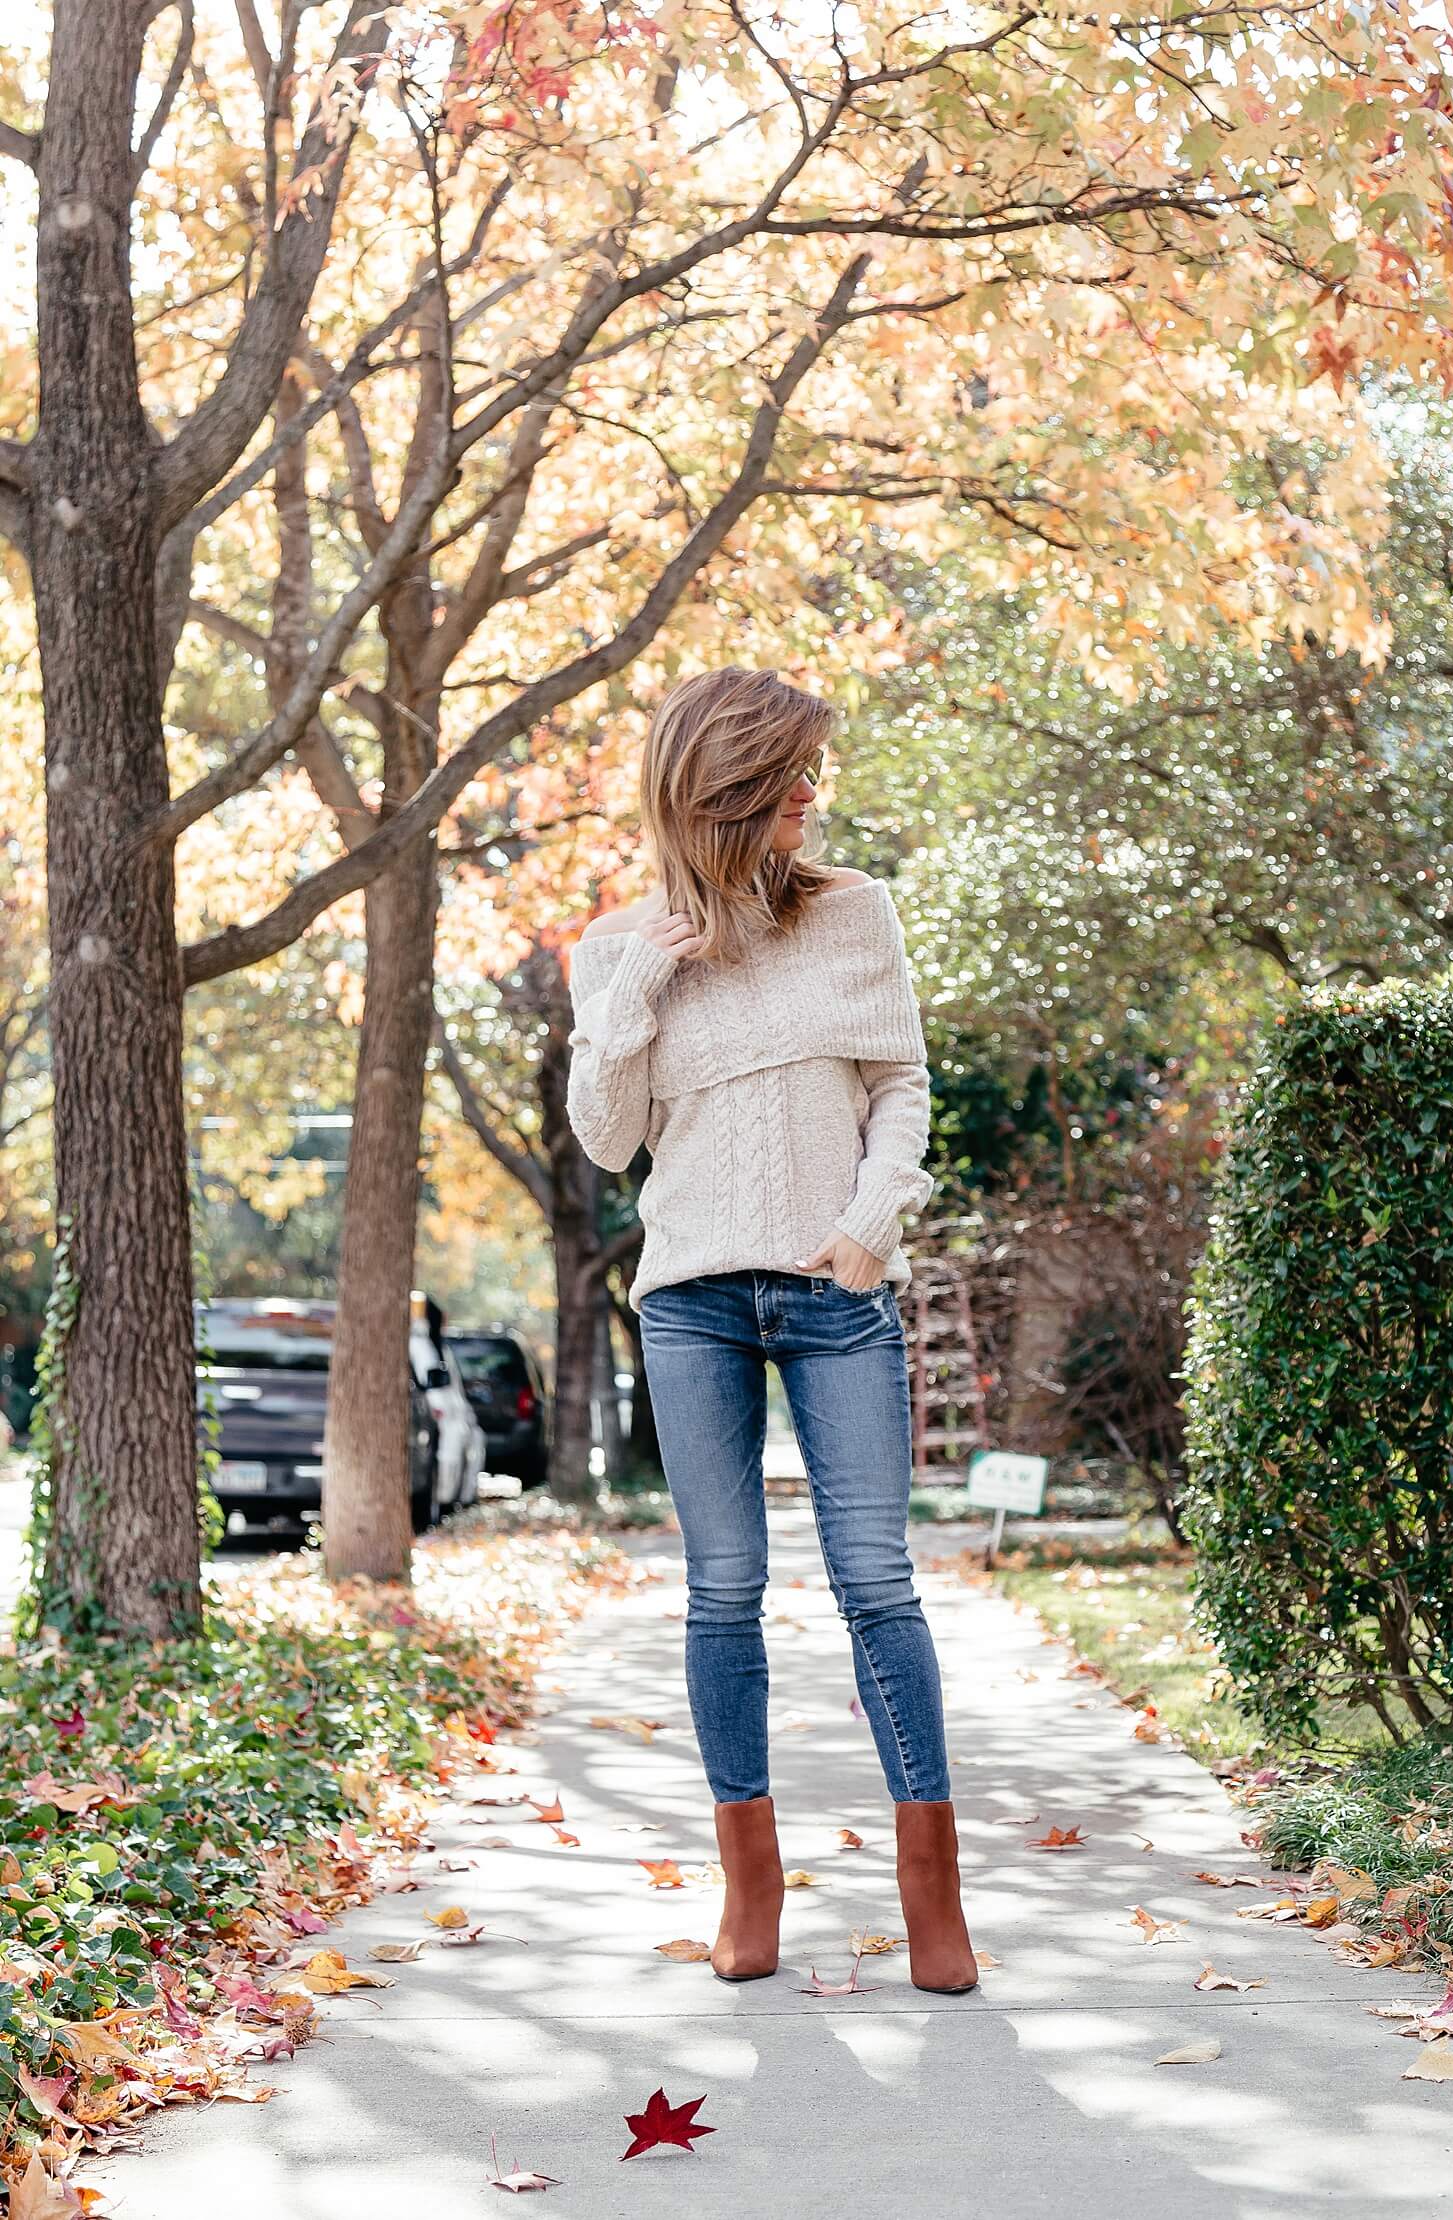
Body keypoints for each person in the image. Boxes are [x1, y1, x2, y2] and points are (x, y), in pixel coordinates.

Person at [565, 667, 979, 1995]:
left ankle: (933, 1895)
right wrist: (630, 996)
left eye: (813, 772)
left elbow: (901, 1082)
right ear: (724, 792)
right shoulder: (617, 948)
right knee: (724, 1590)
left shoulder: (856, 915)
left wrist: (873, 1220)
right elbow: (607, 1138)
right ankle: (752, 1884)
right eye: (789, 775)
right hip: (690, 1301)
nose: (814, 793)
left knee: (875, 1582)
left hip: (835, 1293)